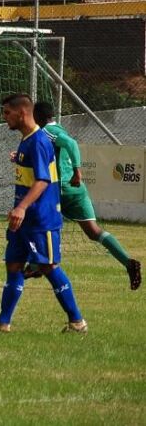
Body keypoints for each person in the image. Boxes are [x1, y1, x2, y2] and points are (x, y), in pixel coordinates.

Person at [0, 94, 87, 333]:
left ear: (22, 113)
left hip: (41, 218)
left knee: (48, 267)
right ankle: (3, 323)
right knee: (13, 265)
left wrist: (21, 207)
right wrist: (18, 209)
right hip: (23, 220)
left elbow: (42, 181)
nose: (4, 118)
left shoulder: (39, 141)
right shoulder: (27, 140)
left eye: (7, 113)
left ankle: (77, 322)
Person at [32, 101, 141, 290]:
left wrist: (77, 171)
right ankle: (128, 262)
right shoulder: (59, 128)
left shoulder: (47, 132)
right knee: (94, 231)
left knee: (39, 223)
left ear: (38, 117)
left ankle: (35, 266)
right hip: (77, 190)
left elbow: (71, 144)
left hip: (61, 189)